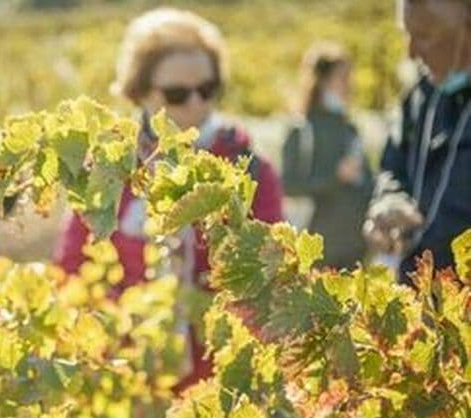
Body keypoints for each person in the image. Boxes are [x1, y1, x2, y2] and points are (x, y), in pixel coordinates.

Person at [54, 7, 283, 391]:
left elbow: (271, 280)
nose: (196, 103)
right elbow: (72, 270)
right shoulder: (109, 172)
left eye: (207, 89)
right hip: (128, 381)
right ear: (140, 91)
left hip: (221, 386)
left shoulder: (252, 171)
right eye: (178, 94)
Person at [364, 0, 471, 281]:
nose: (412, 52)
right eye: (408, 34)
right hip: (416, 294)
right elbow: (393, 165)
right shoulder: (421, 95)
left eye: (424, 35)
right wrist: (390, 199)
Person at [281, 43, 374, 269]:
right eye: (341, 77)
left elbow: (368, 184)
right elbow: (289, 186)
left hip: (356, 250)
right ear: (320, 81)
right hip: (319, 252)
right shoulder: (301, 130)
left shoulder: (350, 128)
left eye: (349, 77)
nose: (348, 85)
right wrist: (335, 178)